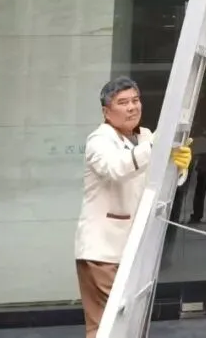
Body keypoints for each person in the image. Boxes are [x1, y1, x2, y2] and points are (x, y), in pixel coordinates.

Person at [74, 77, 192, 338]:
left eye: (135, 100)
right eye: (123, 102)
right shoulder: (99, 140)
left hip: (135, 249)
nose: (132, 107)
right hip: (103, 252)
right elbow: (116, 168)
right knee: (106, 327)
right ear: (106, 111)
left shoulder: (145, 136)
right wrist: (157, 146)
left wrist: (178, 168)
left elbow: (158, 183)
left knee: (128, 326)